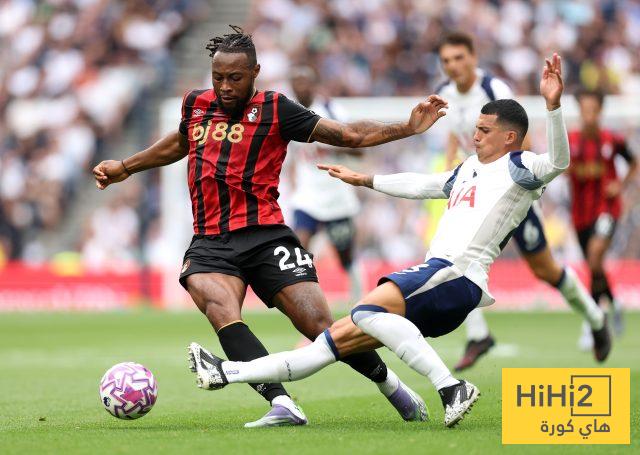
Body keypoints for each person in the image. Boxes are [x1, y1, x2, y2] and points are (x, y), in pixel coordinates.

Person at [188, 54, 578, 428]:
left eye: (484, 131)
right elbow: (422, 185)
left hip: (456, 274)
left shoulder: (520, 167)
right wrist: (365, 180)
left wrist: (553, 106)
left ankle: (451, 386)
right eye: (475, 127)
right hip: (439, 279)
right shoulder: (469, 168)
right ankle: (228, 373)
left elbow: (558, 162)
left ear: (510, 137)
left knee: (364, 311)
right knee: (327, 344)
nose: (473, 136)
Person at [93, 26, 447, 427]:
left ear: (255, 72)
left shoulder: (276, 109)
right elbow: (180, 142)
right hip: (211, 241)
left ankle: (390, 385)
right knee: (221, 310)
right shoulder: (195, 104)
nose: (225, 87)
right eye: (218, 77)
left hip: (266, 235)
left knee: (318, 325)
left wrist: (406, 128)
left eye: (235, 78)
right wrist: (126, 167)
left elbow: (347, 134)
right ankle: (281, 403)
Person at [435, 32, 608, 369]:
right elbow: (455, 135)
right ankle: (478, 334)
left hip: (511, 190)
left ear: (473, 57)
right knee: (454, 255)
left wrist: (514, 182)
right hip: (476, 191)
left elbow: (523, 140)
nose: (452, 66)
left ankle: (595, 318)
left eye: (458, 58)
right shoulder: (445, 94)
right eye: (446, 60)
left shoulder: (493, 89)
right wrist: (450, 173)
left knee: (545, 269)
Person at [288, 65, 364, 303]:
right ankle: (303, 299)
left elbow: (359, 148)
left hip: (336, 195)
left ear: (314, 85)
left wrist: (330, 144)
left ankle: (359, 296)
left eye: (304, 83)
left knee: (345, 255)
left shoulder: (332, 111)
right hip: (308, 196)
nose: (300, 88)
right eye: (296, 84)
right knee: (300, 247)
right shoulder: (289, 113)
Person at [569, 88, 637, 349]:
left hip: (607, 209)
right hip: (580, 214)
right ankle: (614, 302)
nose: (589, 116)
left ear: (600, 112)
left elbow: (634, 162)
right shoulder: (570, 141)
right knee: (593, 267)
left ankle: (592, 324)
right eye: (584, 110)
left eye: (593, 110)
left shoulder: (612, 140)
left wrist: (620, 185)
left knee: (596, 256)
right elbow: (557, 165)